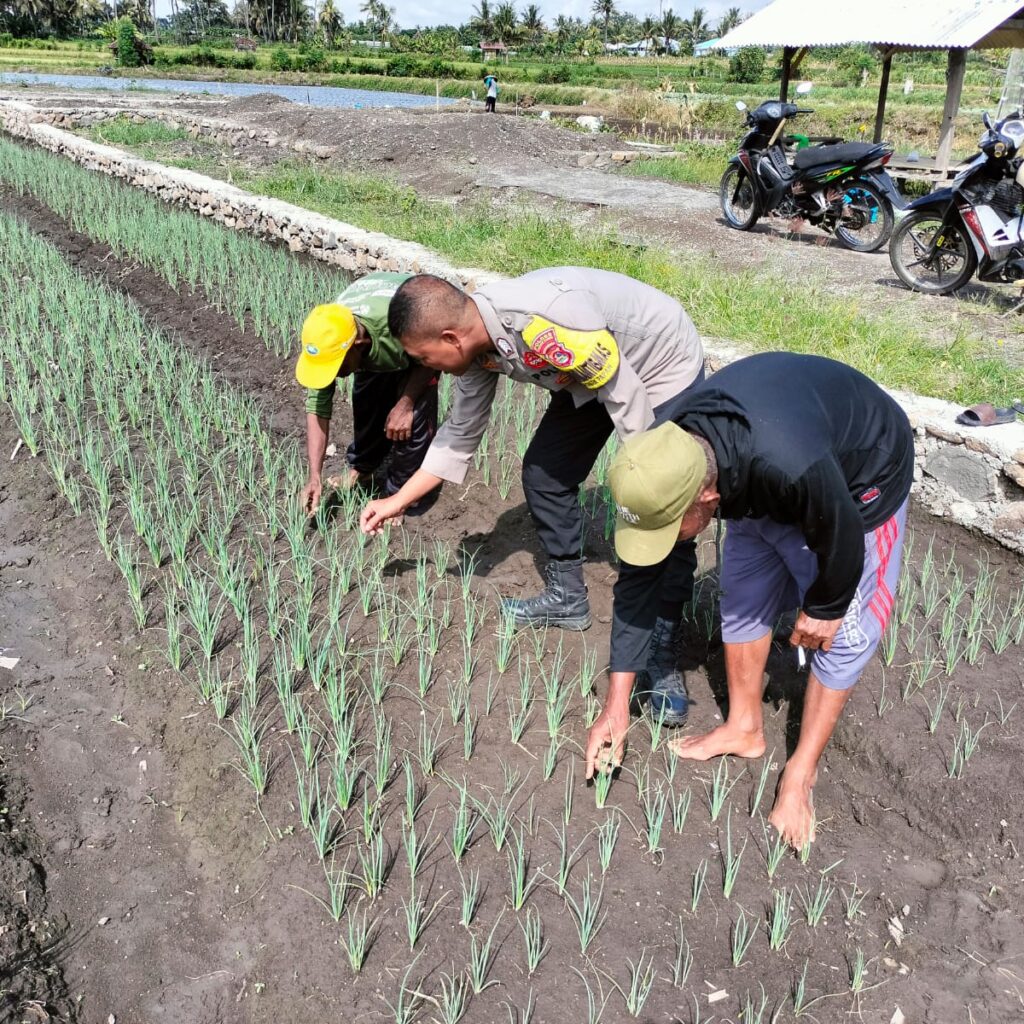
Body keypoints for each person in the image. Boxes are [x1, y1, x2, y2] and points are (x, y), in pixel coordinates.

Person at [585, 352, 915, 850]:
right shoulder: (665, 455)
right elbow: (638, 582)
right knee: (742, 592)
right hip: (767, 464)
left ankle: (802, 772)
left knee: (844, 633)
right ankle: (744, 727)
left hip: (861, 479)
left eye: (670, 529)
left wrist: (825, 606)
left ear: (706, 500)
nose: (667, 539)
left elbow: (843, 532)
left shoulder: (791, 466)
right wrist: (616, 705)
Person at [359, 268, 705, 723]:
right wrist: (397, 500)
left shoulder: (545, 326)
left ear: (450, 338)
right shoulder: (478, 348)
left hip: (657, 366)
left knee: (661, 506)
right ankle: (568, 597)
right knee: (545, 473)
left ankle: (660, 643)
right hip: (591, 372)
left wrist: (649, 483)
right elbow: (460, 433)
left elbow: (627, 400)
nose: (428, 370)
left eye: (426, 358)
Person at [297, 272, 439, 518]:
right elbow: (318, 408)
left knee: (410, 422)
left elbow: (433, 357)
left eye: (338, 367)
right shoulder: (330, 336)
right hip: (373, 344)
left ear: (358, 345)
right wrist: (315, 477)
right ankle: (364, 467)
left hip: (420, 344)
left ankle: (400, 494)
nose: (336, 375)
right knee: (367, 405)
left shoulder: (398, 325)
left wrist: (405, 404)